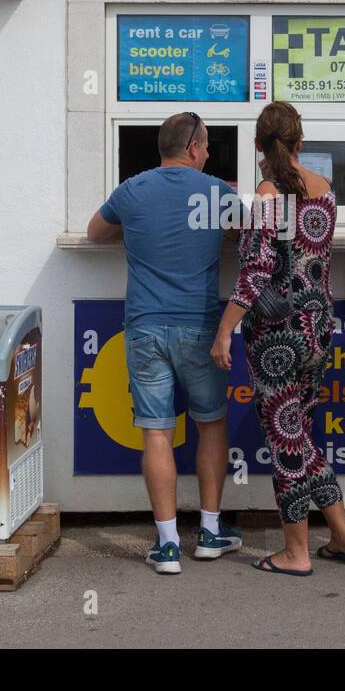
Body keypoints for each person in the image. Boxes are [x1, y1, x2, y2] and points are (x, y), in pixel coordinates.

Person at [212, 101, 345, 576]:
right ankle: (343, 538)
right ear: (301, 142)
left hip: (278, 336)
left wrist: (224, 330)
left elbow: (257, 270)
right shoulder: (326, 189)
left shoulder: (269, 192)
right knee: (301, 433)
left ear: (258, 144)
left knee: (286, 440)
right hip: (318, 327)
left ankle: (296, 553)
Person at [87, 112, 242, 574]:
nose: (210, 153)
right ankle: (211, 532)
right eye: (209, 145)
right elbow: (248, 236)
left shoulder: (132, 189)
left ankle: (168, 543)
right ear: (194, 147)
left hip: (146, 326)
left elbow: (96, 232)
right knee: (210, 424)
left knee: (156, 431)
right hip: (201, 328)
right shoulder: (218, 193)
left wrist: (135, 228)